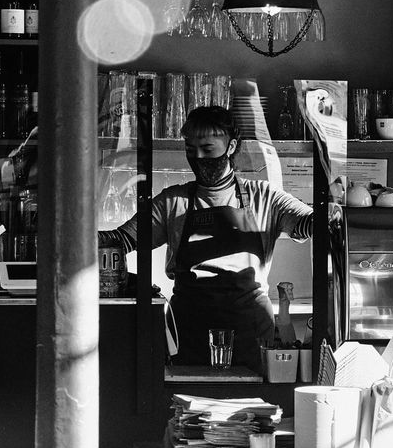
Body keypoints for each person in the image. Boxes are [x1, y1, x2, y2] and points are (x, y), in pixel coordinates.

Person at [99, 105, 314, 370]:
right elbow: (121, 240)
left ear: (231, 146)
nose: (198, 157)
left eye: (207, 149)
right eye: (191, 150)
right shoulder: (173, 201)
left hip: (250, 329)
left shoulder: (264, 197)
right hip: (190, 327)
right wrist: (75, 236)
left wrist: (330, 215)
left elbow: (305, 223)